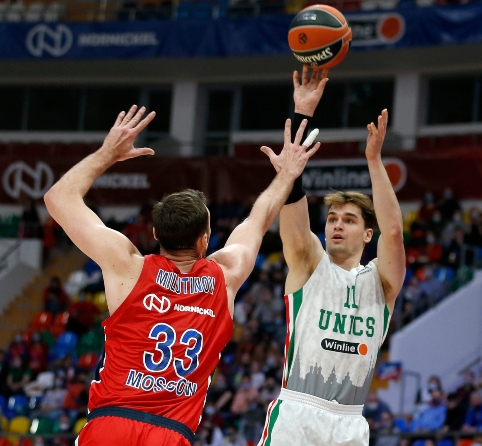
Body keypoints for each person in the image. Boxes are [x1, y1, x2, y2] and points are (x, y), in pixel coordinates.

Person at [45, 104, 320, 446]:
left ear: (156, 234)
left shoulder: (127, 267)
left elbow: (58, 197)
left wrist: (108, 153)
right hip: (170, 433)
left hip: (110, 425)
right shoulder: (226, 275)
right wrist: (287, 174)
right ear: (205, 239)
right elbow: (258, 220)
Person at [257, 67, 406, 445]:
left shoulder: (382, 282)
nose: (337, 225)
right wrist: (302, 114)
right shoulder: (310, 262)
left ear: (367, 234)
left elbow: (393, 231)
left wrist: (374, 160)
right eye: (333, 219)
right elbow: (293, 203)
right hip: (297, 413)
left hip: (350, 424)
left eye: (349, 220)